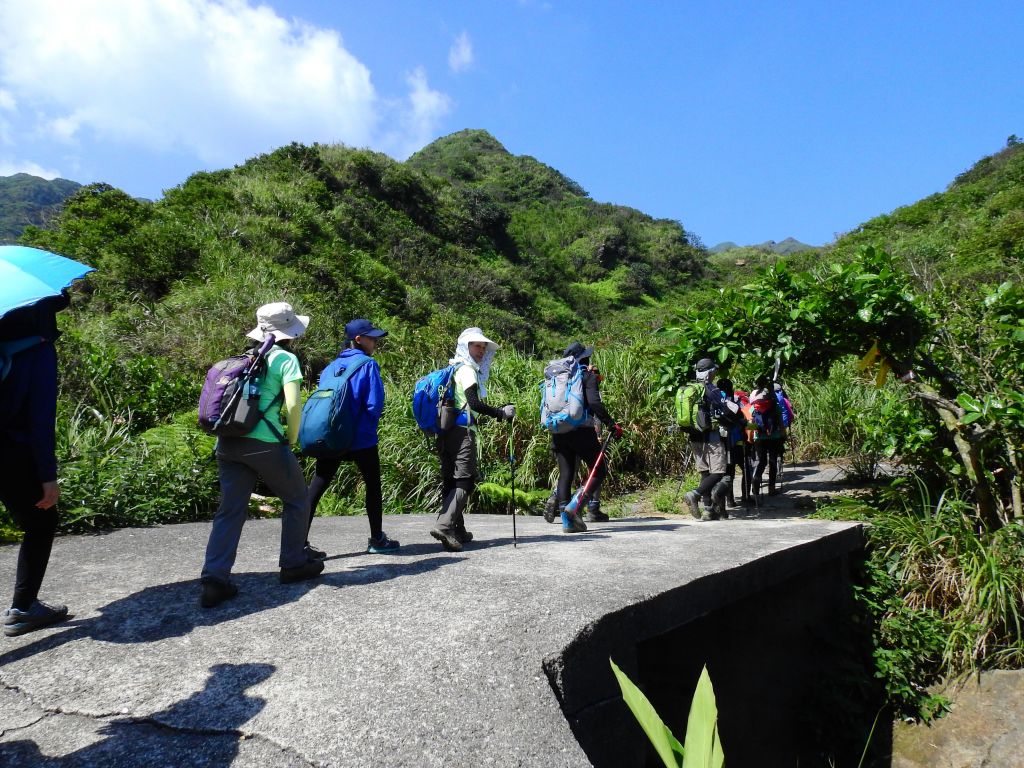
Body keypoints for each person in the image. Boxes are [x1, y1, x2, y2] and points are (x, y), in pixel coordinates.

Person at [200, 302, 323, 608]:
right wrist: (292, 439)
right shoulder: (285, 359)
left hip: (227, 442)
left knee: (230, 510)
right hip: (265, 442)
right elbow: (294, 406)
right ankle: (293, 563)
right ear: (289, 331)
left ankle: (215, 577)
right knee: (297, 499)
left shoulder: (244, 358)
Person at [1, 295, 71, 637]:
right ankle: (24, 607)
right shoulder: (36, 350)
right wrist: (47, 476)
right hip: (11, 454)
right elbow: (39, 419)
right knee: (41, 520)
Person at [306, 318, 399, 556]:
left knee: (318, 485)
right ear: (358, 339)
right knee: (373, 486)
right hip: (361, 438)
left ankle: (298, 542)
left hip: (332, 435)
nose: (375, 342)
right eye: (372, 338)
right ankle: (377, 539)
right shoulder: (368, 365)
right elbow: (374, 404)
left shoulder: (330, 367)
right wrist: (366, 434)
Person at [430, 327, 515, 552]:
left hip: (445, 431)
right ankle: (445, 525)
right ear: (466, 347)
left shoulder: (453, 367)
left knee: (451, 480)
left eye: (483, 347)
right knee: (465, 481)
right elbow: (474, 403)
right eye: (476, 345)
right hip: (461, 431)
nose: (481, 350)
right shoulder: (467, 369)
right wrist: (501, 413)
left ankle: (458, 529)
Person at [549, 342, 623, 532]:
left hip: (558, 429)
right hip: (582, 430)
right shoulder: (586, 374)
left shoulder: (558, 376)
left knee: (565, 474)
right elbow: (595, 403)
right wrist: (611, 424)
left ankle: (568, 523)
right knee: (599, 471)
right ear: (583, 358)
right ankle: (574, 507)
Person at [681, 358, 731, 521]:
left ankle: (708, 510)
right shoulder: (711, 390)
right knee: (718, 472)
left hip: (694, 436)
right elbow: (725, 411)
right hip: (711, 437)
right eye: (714, 371)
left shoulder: (691, 389)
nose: (715, 373)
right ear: (709, 373)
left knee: (704, 472)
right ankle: (694, 494)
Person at [749, 380, 786, 505]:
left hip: (759, 438)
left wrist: (751, 437)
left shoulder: (754, 407)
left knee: (761, 461)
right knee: (773, 461)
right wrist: (783, 435)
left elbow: (750, 425)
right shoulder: (774, 405)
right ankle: (771, 489)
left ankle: (756, 480)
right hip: (774, 437)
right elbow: (781, 423)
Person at [716, 378, 751, 508]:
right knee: (746, 468)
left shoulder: (716, 400)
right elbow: (743, 418)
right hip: (737, 441)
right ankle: (746, 497)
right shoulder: (735, 400)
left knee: (728, 472)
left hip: (722, 443)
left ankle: (729, 500)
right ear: (731, 387)